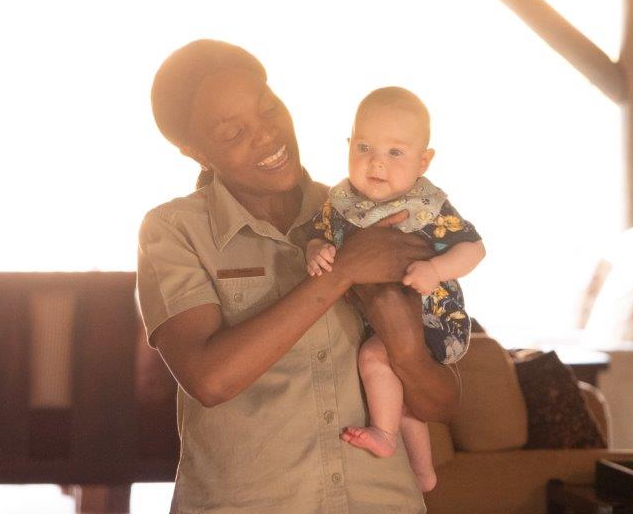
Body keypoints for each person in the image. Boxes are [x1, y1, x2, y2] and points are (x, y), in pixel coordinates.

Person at [136, 39, 461, 514]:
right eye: (232, 132)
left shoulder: (373, 214)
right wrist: (344, 271)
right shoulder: (172, 231)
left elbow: (441, 404)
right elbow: (209, 380)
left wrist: (405, 345)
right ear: (195, 151)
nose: (267, 136)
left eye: (269, 109)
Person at [305, 87, 485, 492]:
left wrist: (436, 268)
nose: (376, 162)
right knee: (396, 391)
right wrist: (315, 251)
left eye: (395, 153)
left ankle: (385, 437)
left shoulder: (428, 208)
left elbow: (474, 249)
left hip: (436, 321)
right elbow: (318, 236)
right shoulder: (340, 203)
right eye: (365, 147)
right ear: (348, 145)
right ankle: (424, 473)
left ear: (424, 161)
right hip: (384, 321)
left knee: (373, 359)